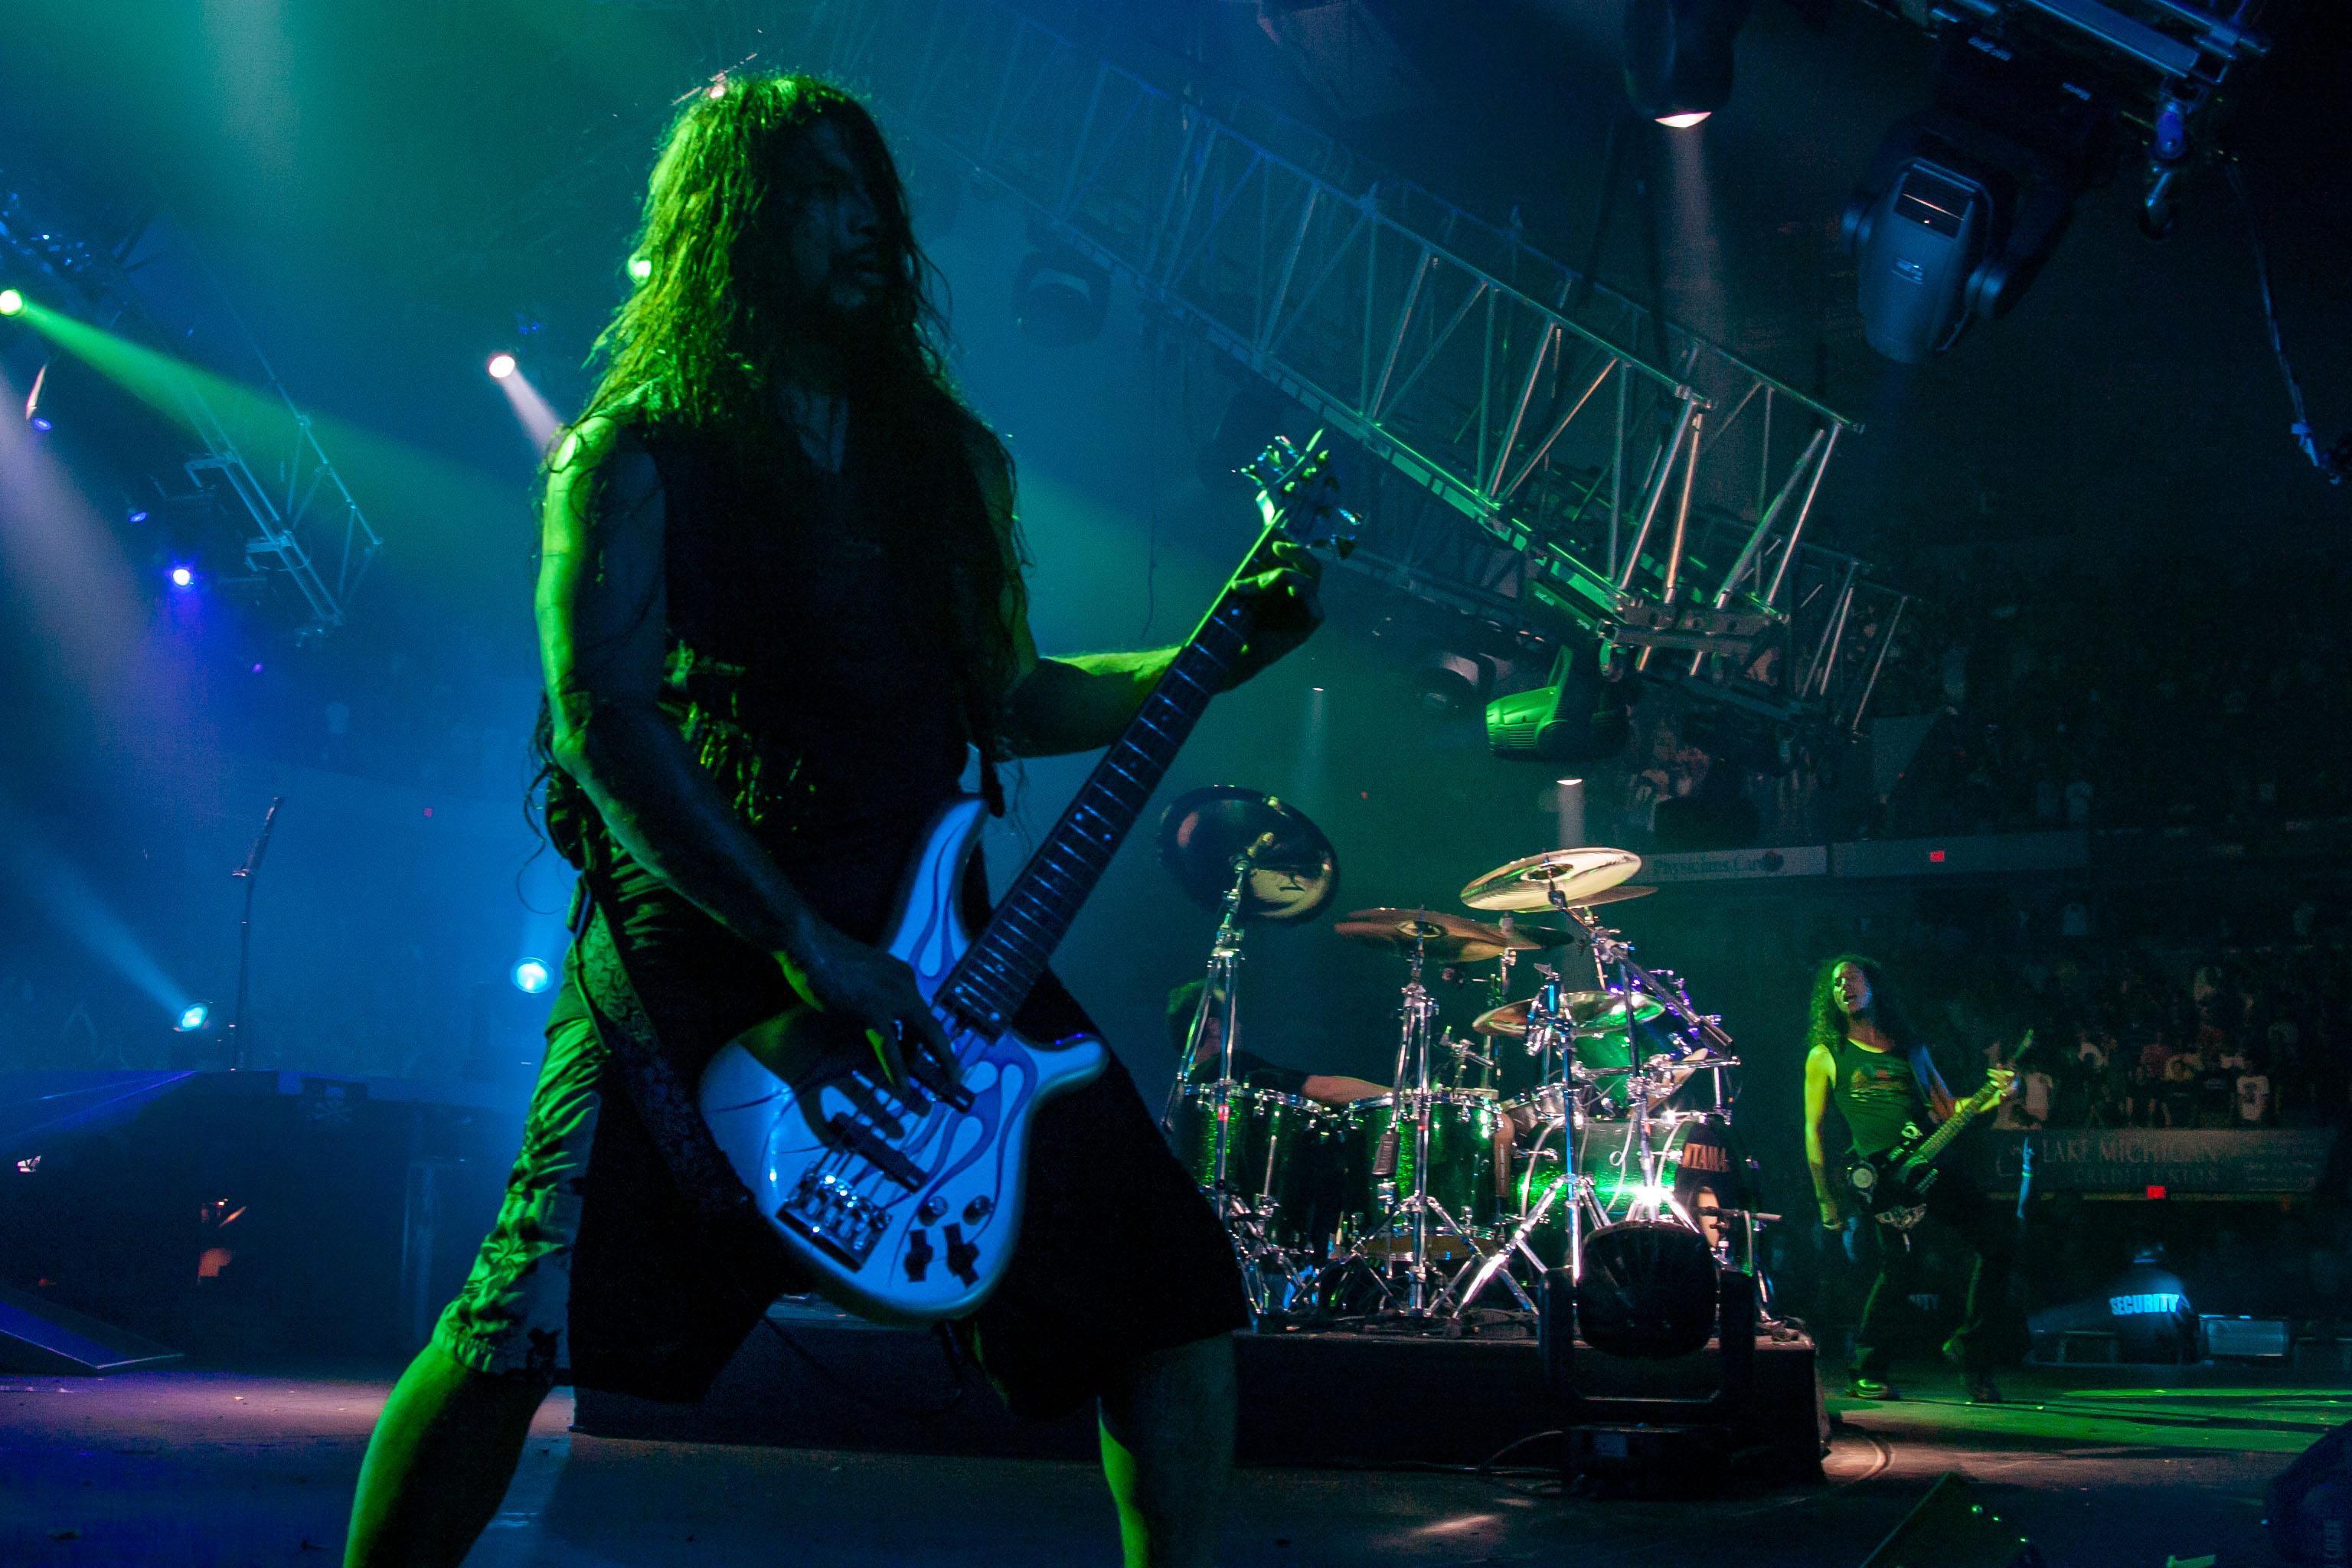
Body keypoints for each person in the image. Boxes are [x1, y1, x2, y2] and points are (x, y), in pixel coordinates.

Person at [344, 73, 1323, 1568]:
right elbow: (606, 722)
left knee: (1172, 1291)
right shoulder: (634, 453)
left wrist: (1209, 652)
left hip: (938, 961)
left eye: (871, 193)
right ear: (733, 225)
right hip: (697, 949)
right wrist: (803, 940)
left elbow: (1010, 694)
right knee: (517, 1320)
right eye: (817, 193)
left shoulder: (948, 461)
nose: (862, 224)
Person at [1803, 955, 2017, 1403]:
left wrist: (1997, 1095)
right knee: (1901, 1265)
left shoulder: (1911, 1048)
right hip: (1884, 1180)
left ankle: (1970, 1349)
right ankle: (1867, 1369)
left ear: (1873, 987)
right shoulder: (1826, 1054)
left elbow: (1948, 1110)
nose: (1844, 988)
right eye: (1837, 984)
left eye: (1853, 979)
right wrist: (1827, 1199)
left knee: (1999, 1239)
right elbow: (1814, 1131)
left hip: (1932, 1163)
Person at [1166, 978, 1388, 1107]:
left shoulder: (1181, 1093)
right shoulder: (1229, 1068)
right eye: (1234, 1016)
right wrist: (1399, 1098)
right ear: (1215, 1027)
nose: (1240, 1025)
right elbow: (1323, 1089)